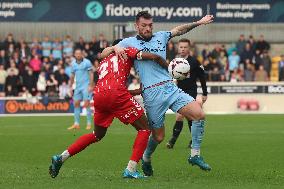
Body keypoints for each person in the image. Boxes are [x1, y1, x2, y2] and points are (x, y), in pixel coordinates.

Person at [102, 11, 214, 176]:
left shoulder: (161, 36)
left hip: (170, 88)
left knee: (199, 114)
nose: (148, 28)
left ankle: (195, 155)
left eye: (150, 25)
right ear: (136, 26)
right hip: (151, 94)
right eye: (144, 26)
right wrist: (114, 47)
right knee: (159, 137)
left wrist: (199, 22)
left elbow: (179, 30)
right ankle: (146, 158)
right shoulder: (128, 42)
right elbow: (103, 55)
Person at [49, 39, 168, 179]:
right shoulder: (126, 50)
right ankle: (130, 169)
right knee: (144, 128)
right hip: (116, 94)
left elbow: (110, 87)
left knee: (96, 135)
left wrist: (135, 92)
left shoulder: (104, 61)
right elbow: (151, 56)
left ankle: (61, 157)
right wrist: (163, 62)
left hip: (99, 95)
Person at [166, 38, 208, 149]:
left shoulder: (194, 61)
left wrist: (205, 93)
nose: (183, 49)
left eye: (185, 47)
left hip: (190, 91)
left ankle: (172, 141)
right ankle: (193, 140)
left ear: (189, 48)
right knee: (188, 117)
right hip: (179, 91)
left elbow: (202, 77)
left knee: (180, 115)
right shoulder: (175, 61)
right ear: (178, 48)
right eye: (181, 47)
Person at [67, 49, 94, 130]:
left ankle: (89, 123)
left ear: (82, 54)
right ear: (75, 55)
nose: (78, 55)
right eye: (76, 53)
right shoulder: (73, 64)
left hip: (86, 86)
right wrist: (70, 86)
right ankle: (76, 123)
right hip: (78, 86)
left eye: (79, 53)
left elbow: (91, 73)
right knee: (76, 104)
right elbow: (72, 76)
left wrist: (90, 85)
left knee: (87, 104)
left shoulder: (87, 62)